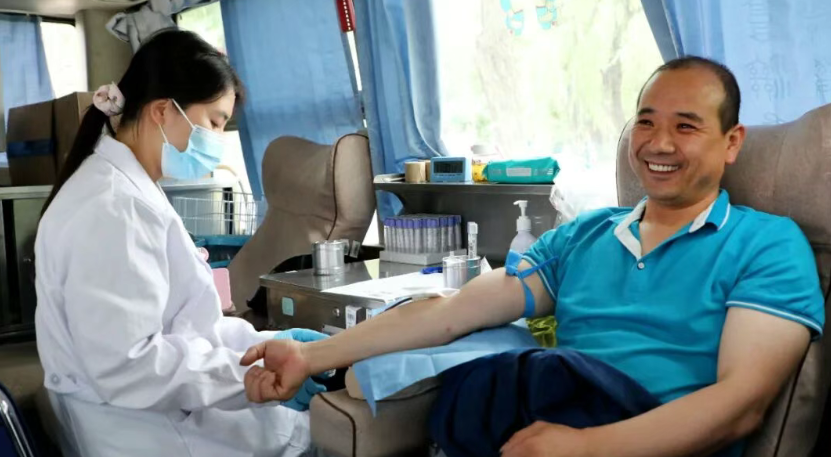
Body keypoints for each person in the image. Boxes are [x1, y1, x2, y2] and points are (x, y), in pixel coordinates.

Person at [240, 57, 824, 457]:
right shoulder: (586, 235)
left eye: (686, 126)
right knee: (488, 370)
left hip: (647, 434)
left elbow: (740, 405)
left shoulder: (767, 244)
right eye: (646, 122)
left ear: (731, 142)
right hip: (555, 421)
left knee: (543, 371)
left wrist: (586, 448)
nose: (659, 143)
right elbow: (451, 312)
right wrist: (310, 356)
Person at [35, 30, 326, 457]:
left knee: (303, 430)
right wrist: (249, 375)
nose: (217, 140)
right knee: (312, 437)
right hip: (144, 430)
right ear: (162, 111)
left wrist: (260, 345)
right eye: (214, 122)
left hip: (154, 408)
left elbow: (186, 324)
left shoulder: (126, 189)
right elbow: (130, 366)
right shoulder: (113, 208)